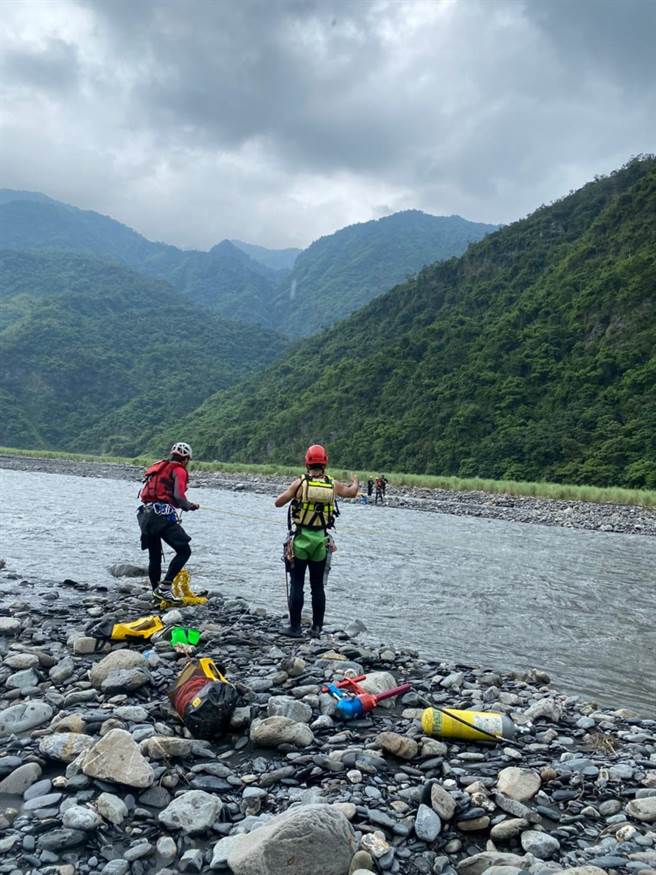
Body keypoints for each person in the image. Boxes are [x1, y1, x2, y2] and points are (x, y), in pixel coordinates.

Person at [275, 444, 359, 638]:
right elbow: (352, 492)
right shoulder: (332, 484)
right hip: (321, 541)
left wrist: (294, 495)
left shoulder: (300, 483)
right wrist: (356, 482)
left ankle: (295, 628)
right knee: (317, 586)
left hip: (301, 540)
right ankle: (316, 628)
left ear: (307, 463)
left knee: (297, 583)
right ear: (325, 463)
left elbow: (278, 502)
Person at [137, 441, 199, 602]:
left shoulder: (159, 467)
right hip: (162, 515)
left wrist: (184, 504)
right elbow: (179, 497)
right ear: (186, 459)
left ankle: (156, 593)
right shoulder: (179, 470)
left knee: (154, 557)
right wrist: (189, 506)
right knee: (184, 551)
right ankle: (165, 588)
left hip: (145, 515)